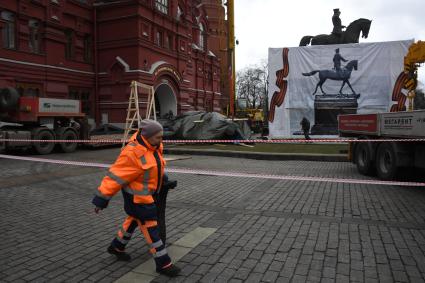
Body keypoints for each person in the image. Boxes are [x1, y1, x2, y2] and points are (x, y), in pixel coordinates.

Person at [92, 119, 180, 277]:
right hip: (139, 201)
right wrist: (101, 200)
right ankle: (164, 264)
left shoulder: (153, 146)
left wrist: (164, 180)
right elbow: (114, 177)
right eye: (158, 137)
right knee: (152, 232)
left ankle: (116, 247)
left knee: (132, 221)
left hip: (148, 197)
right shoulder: (132, 153)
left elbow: (154, 168)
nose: (161, 140)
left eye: (161, 137)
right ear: (146, 136)